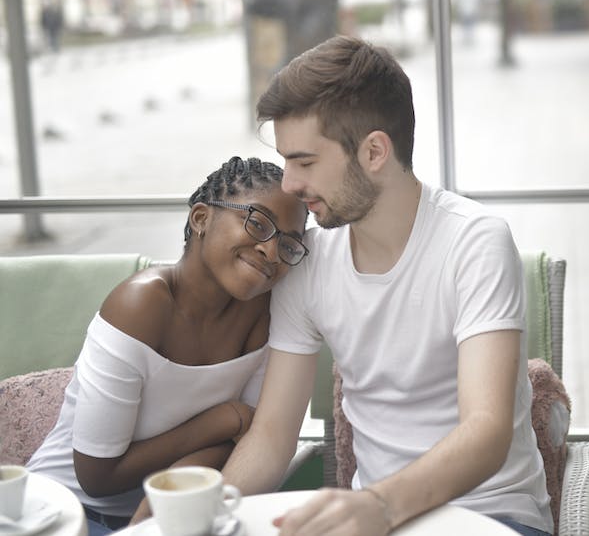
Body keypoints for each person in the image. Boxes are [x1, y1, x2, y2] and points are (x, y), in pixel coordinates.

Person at [221, 36, 553, 536]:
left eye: (305, 162)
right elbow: (270, 437)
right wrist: (205, 511)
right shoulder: (307, 261)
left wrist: (376, 506)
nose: (288, 183)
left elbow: (485, 432)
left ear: (375, 150)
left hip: (491, 515)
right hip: (376, 520)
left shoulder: (474, 242)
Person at [26, 156, 309, 536]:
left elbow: (243, 440)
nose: (271, 252)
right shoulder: (139, 306)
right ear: (201, 218)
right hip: (65, 513)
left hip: (171, 515)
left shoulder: (266, 313)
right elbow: (97, 475)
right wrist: (224, 418)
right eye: (258, 224)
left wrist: (177, 482)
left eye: (289, 244)